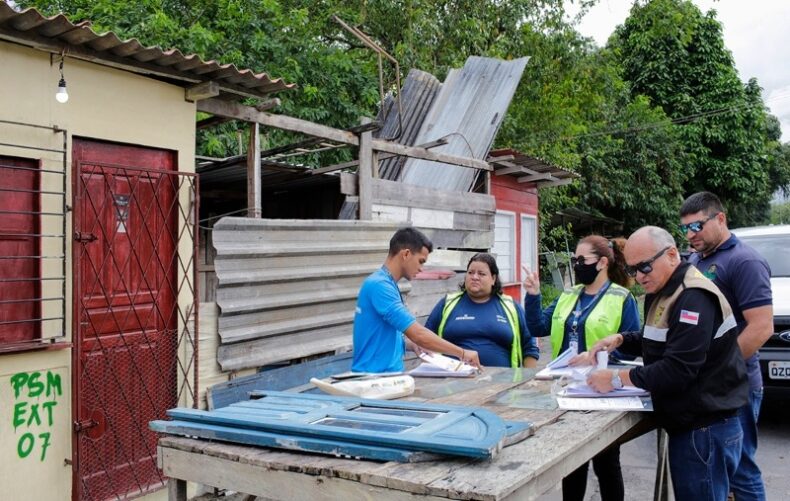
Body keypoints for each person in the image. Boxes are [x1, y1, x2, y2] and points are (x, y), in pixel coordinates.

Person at [584, 226, 749, 501]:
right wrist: (622, 339)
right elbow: (661, 339)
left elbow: (678, 369)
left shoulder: (693, 297)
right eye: (632, 269)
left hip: (705, 427)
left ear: (672, 254)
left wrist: (615, 379)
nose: (638, 277)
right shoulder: (665, 288)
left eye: (644, 267)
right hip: (692, 424)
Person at [523, 235, 639, 501]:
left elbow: (632, 344)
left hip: (602, 389)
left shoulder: (622, 298)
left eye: (581, 260)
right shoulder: (569, 294)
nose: (576, 265)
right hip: (567, 388)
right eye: (574, 260)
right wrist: (532, 296)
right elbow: (538, 326)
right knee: (571, 464)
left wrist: (596, 354)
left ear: (601, 263)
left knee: (606, 462)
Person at [680, 192, 773, 501]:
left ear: (720, 218)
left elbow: (761, 327)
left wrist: (718, 369)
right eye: (685, 229)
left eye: (697, 226)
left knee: (741, 468)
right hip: (706, 384)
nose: (691, 235)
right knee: (719, 468)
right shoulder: (696, 260)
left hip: (736, 383)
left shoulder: (744, 261)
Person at [351, 227, 481, 373]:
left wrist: (411, 345)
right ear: (406, 254)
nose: (421, 269)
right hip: (373, 381)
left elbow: (381, 336)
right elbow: (418, 334)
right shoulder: (380, 286)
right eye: (420, 261)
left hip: (386, 377)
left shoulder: (387, 284)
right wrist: (462, 353)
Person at [424, 253, 539, 368]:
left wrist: (531, 380)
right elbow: (425, 340)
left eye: (481, 274)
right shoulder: (447, 304)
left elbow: (529, 347)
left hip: (501, 382)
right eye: (470, 273)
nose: (474, 277)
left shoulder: (511, 307)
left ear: (493, 279)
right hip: (450, 380)